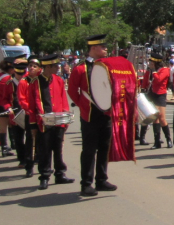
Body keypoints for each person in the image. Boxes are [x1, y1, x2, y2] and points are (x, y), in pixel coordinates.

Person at [67, 34, 116, 197]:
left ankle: (101, 179)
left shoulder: (107, 67)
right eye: (103, 47)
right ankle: (86, 183)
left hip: (106, 113)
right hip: (90, 115)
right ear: (93, 48)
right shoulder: (81, 69)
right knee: (89, 149)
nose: (106, 49)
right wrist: (83, 106)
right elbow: (73, 91)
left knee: (104, 148)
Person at [29, 54, 75, 190]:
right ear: (48, 67)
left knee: (58, 148)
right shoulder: (36, 82)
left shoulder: (59, 80)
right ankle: (44, 176)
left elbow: (63, 100)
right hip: (44, 122)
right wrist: (33, 124)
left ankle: (60, 174)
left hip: (59, 121)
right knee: (45, 150)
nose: (57, 68)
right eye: (55, 66)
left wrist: (65, 119)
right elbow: (32, 105)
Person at [145, 52, 173, 150]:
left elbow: (159, 80)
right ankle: (157, 141)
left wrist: (153, 71)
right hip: (153, 94)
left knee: (162, 118)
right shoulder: (153, 71)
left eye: (151, 62)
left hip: (161, 94)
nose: (150, 64)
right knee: (155, 118)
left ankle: (168, 139)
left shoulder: (164, 70)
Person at [0, 58, 17, 158]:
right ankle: (12, 145)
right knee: (9, 125)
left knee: (3, 126)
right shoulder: (9, 79)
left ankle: (4, 147)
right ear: (10, 69)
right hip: (6, 104)